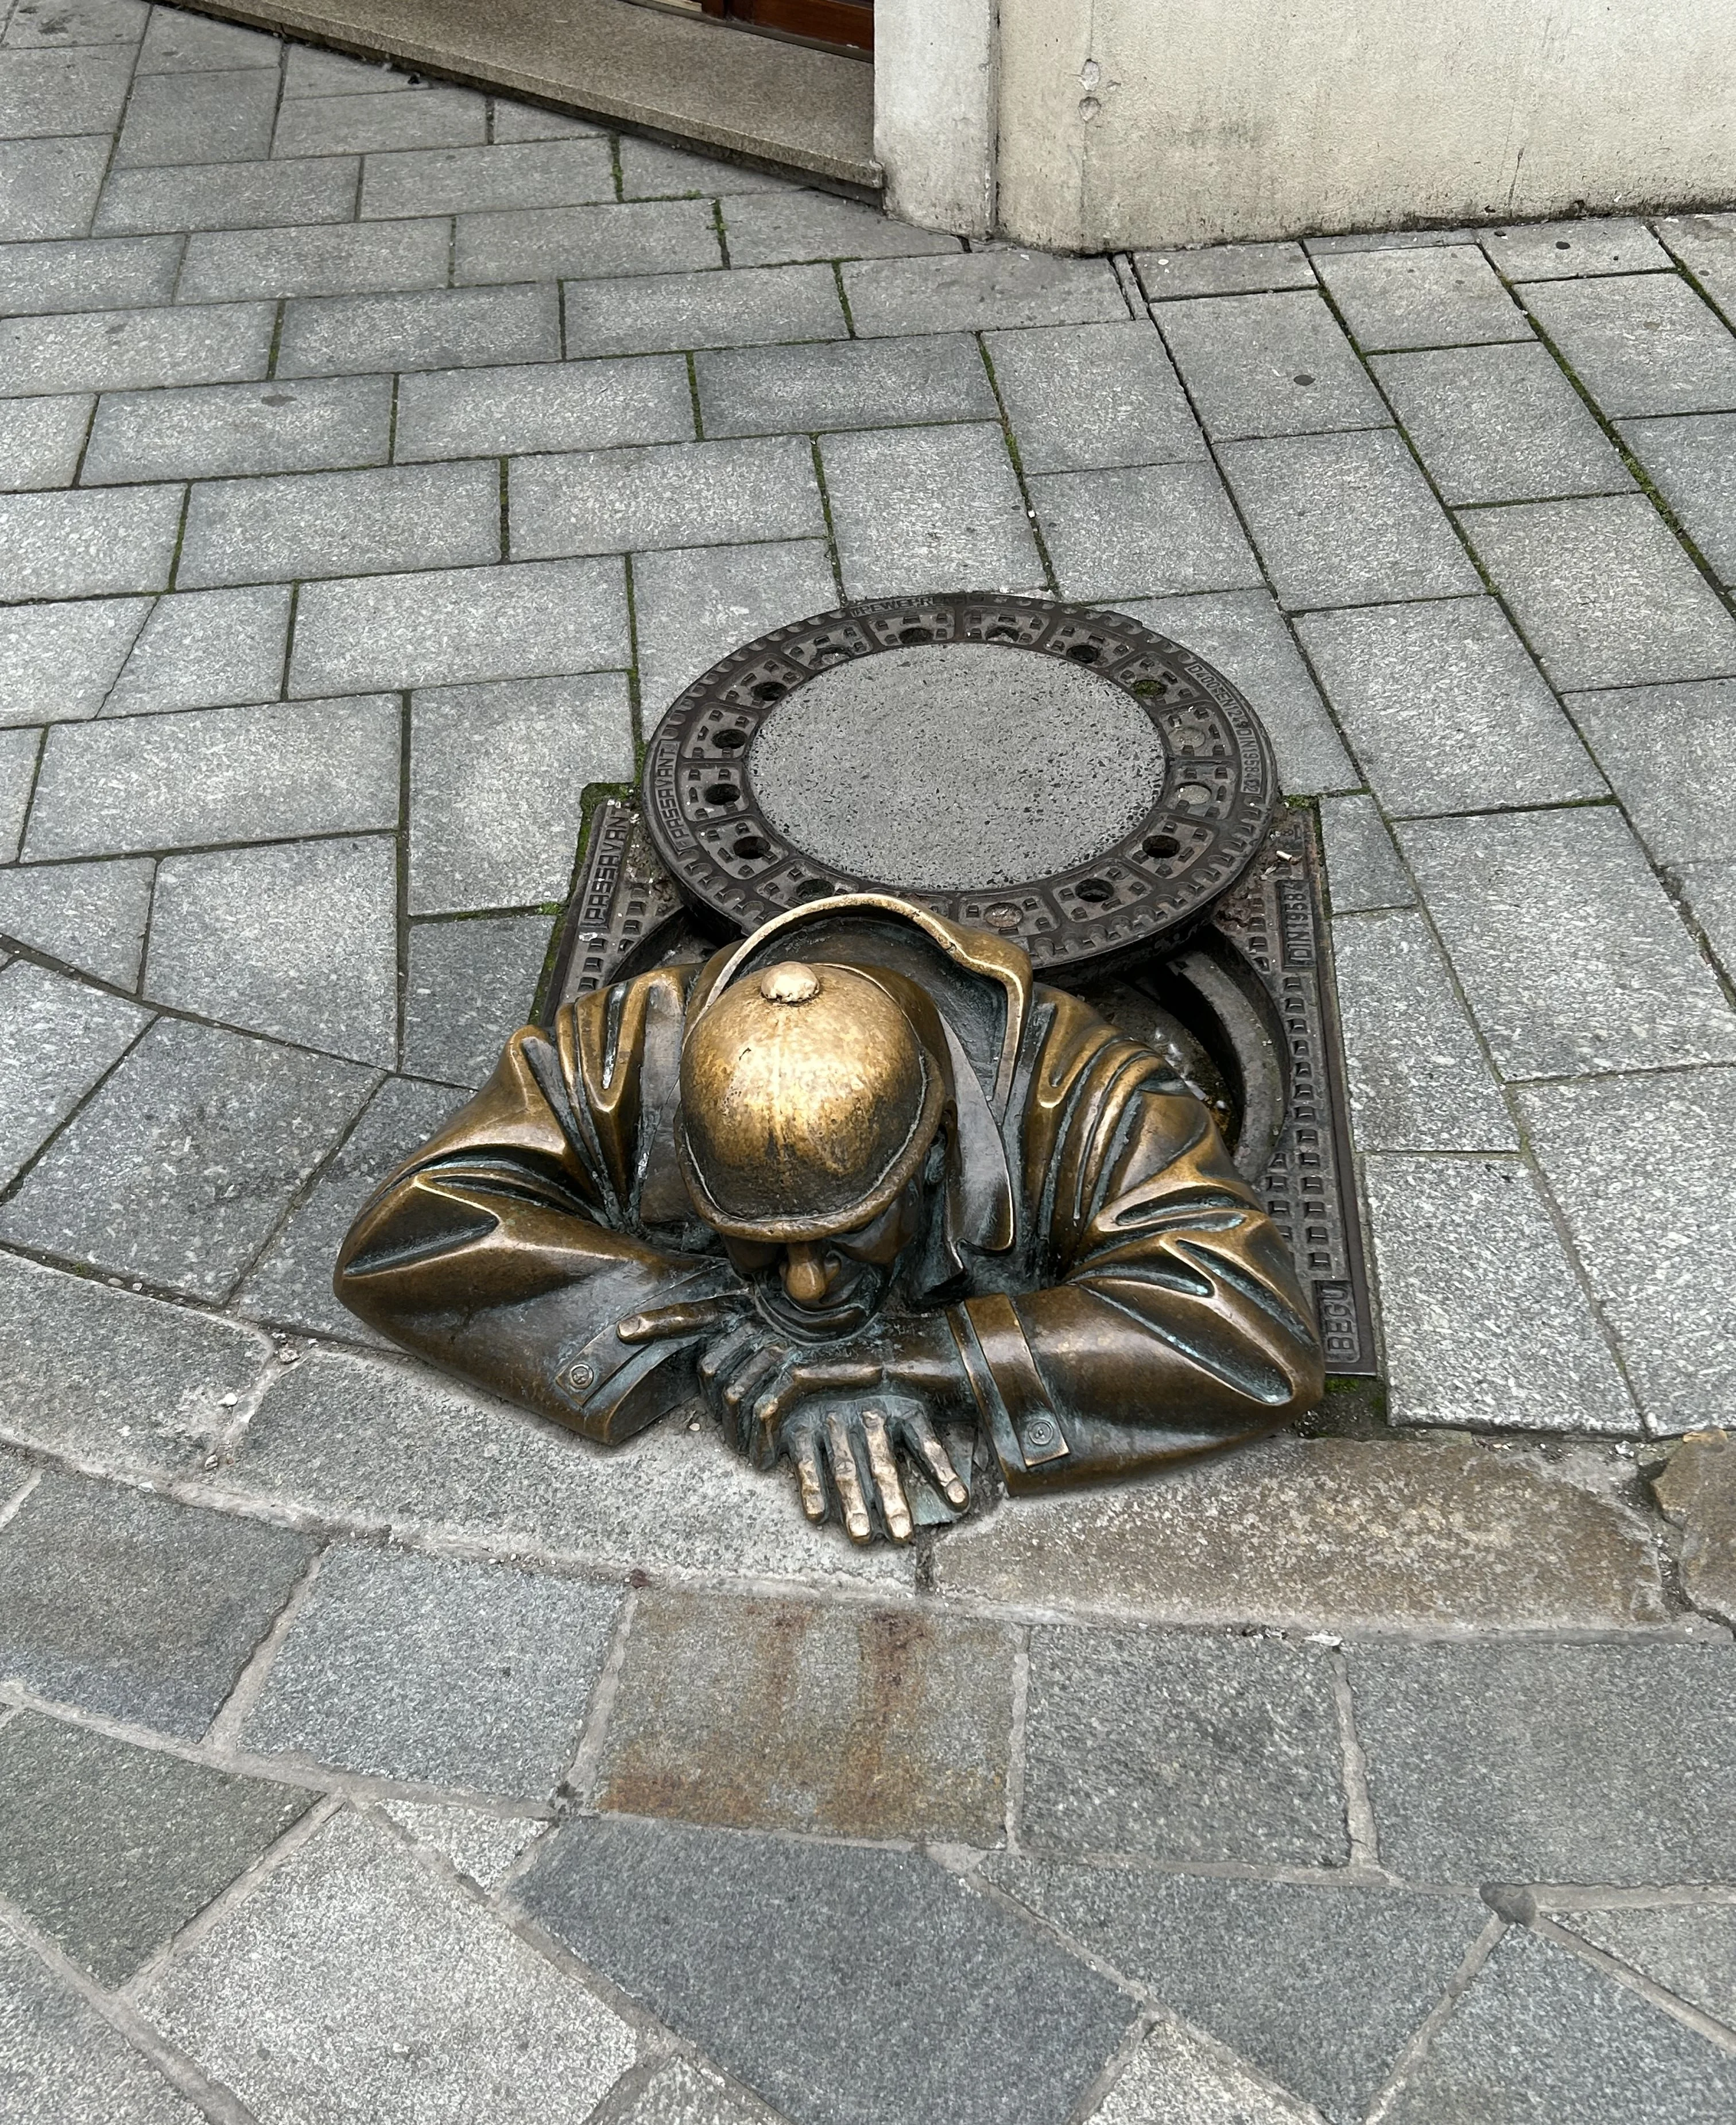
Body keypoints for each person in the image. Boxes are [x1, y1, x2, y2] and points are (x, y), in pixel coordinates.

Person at [335, 893, 1323, 1543]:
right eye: (759, 1245)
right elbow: (414, 1232)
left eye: (846, 1231)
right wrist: (699, 1310)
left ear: (935, 1149)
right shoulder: (632, 1050)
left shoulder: (1094, 1098)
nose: (804, 1285)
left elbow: (1252, 1332)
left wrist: (922, 1360)